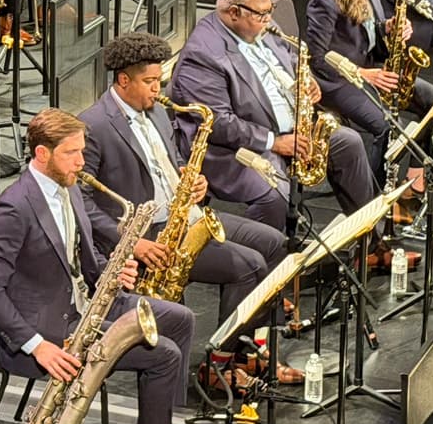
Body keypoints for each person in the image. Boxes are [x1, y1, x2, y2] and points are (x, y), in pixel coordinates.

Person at [0, 109, 212, 424]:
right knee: (163, 355)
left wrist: (112, 271)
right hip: (49, 332)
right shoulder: (12, 209)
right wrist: (37, 346)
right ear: (42, 154)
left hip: (89, 303)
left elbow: (81, 257)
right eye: (71, 153)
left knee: (180, 319)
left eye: (82, 151)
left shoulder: (67, 187)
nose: (81, 162)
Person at [81, 31, 285, 325]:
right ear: (124, 80)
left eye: (159, 79)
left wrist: (193, 179)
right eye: (149, 81)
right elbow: (82, 202)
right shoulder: (94, 126)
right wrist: (131, 242)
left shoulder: (157, 111)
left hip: (187, 216)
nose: (158, 88)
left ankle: (262, 338)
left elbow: (174, 159)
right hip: (149, 232)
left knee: (273, 242)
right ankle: (228, 350)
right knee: (249, 266)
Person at [167, 0, 377, 233]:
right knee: (275, 193)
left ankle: (370, 240)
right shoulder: (203, 55)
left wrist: (305, 80)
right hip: (237, 147)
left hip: (289, 129)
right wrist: (274, 142)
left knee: (348, 143)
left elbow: (289, 55)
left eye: (270, 11)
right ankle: (264, 254)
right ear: (234, 13)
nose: (269, 20)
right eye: (262, 14)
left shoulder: (260, 23)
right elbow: (219, 124)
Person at [306, 0, 433, 178]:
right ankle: (377, 194)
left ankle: (417, 180)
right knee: (388, 127)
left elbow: (366, 28)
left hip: (369, 67)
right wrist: (363, 74)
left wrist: (388, 27)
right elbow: (317, 59)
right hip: (338, 81)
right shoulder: (324, 0)